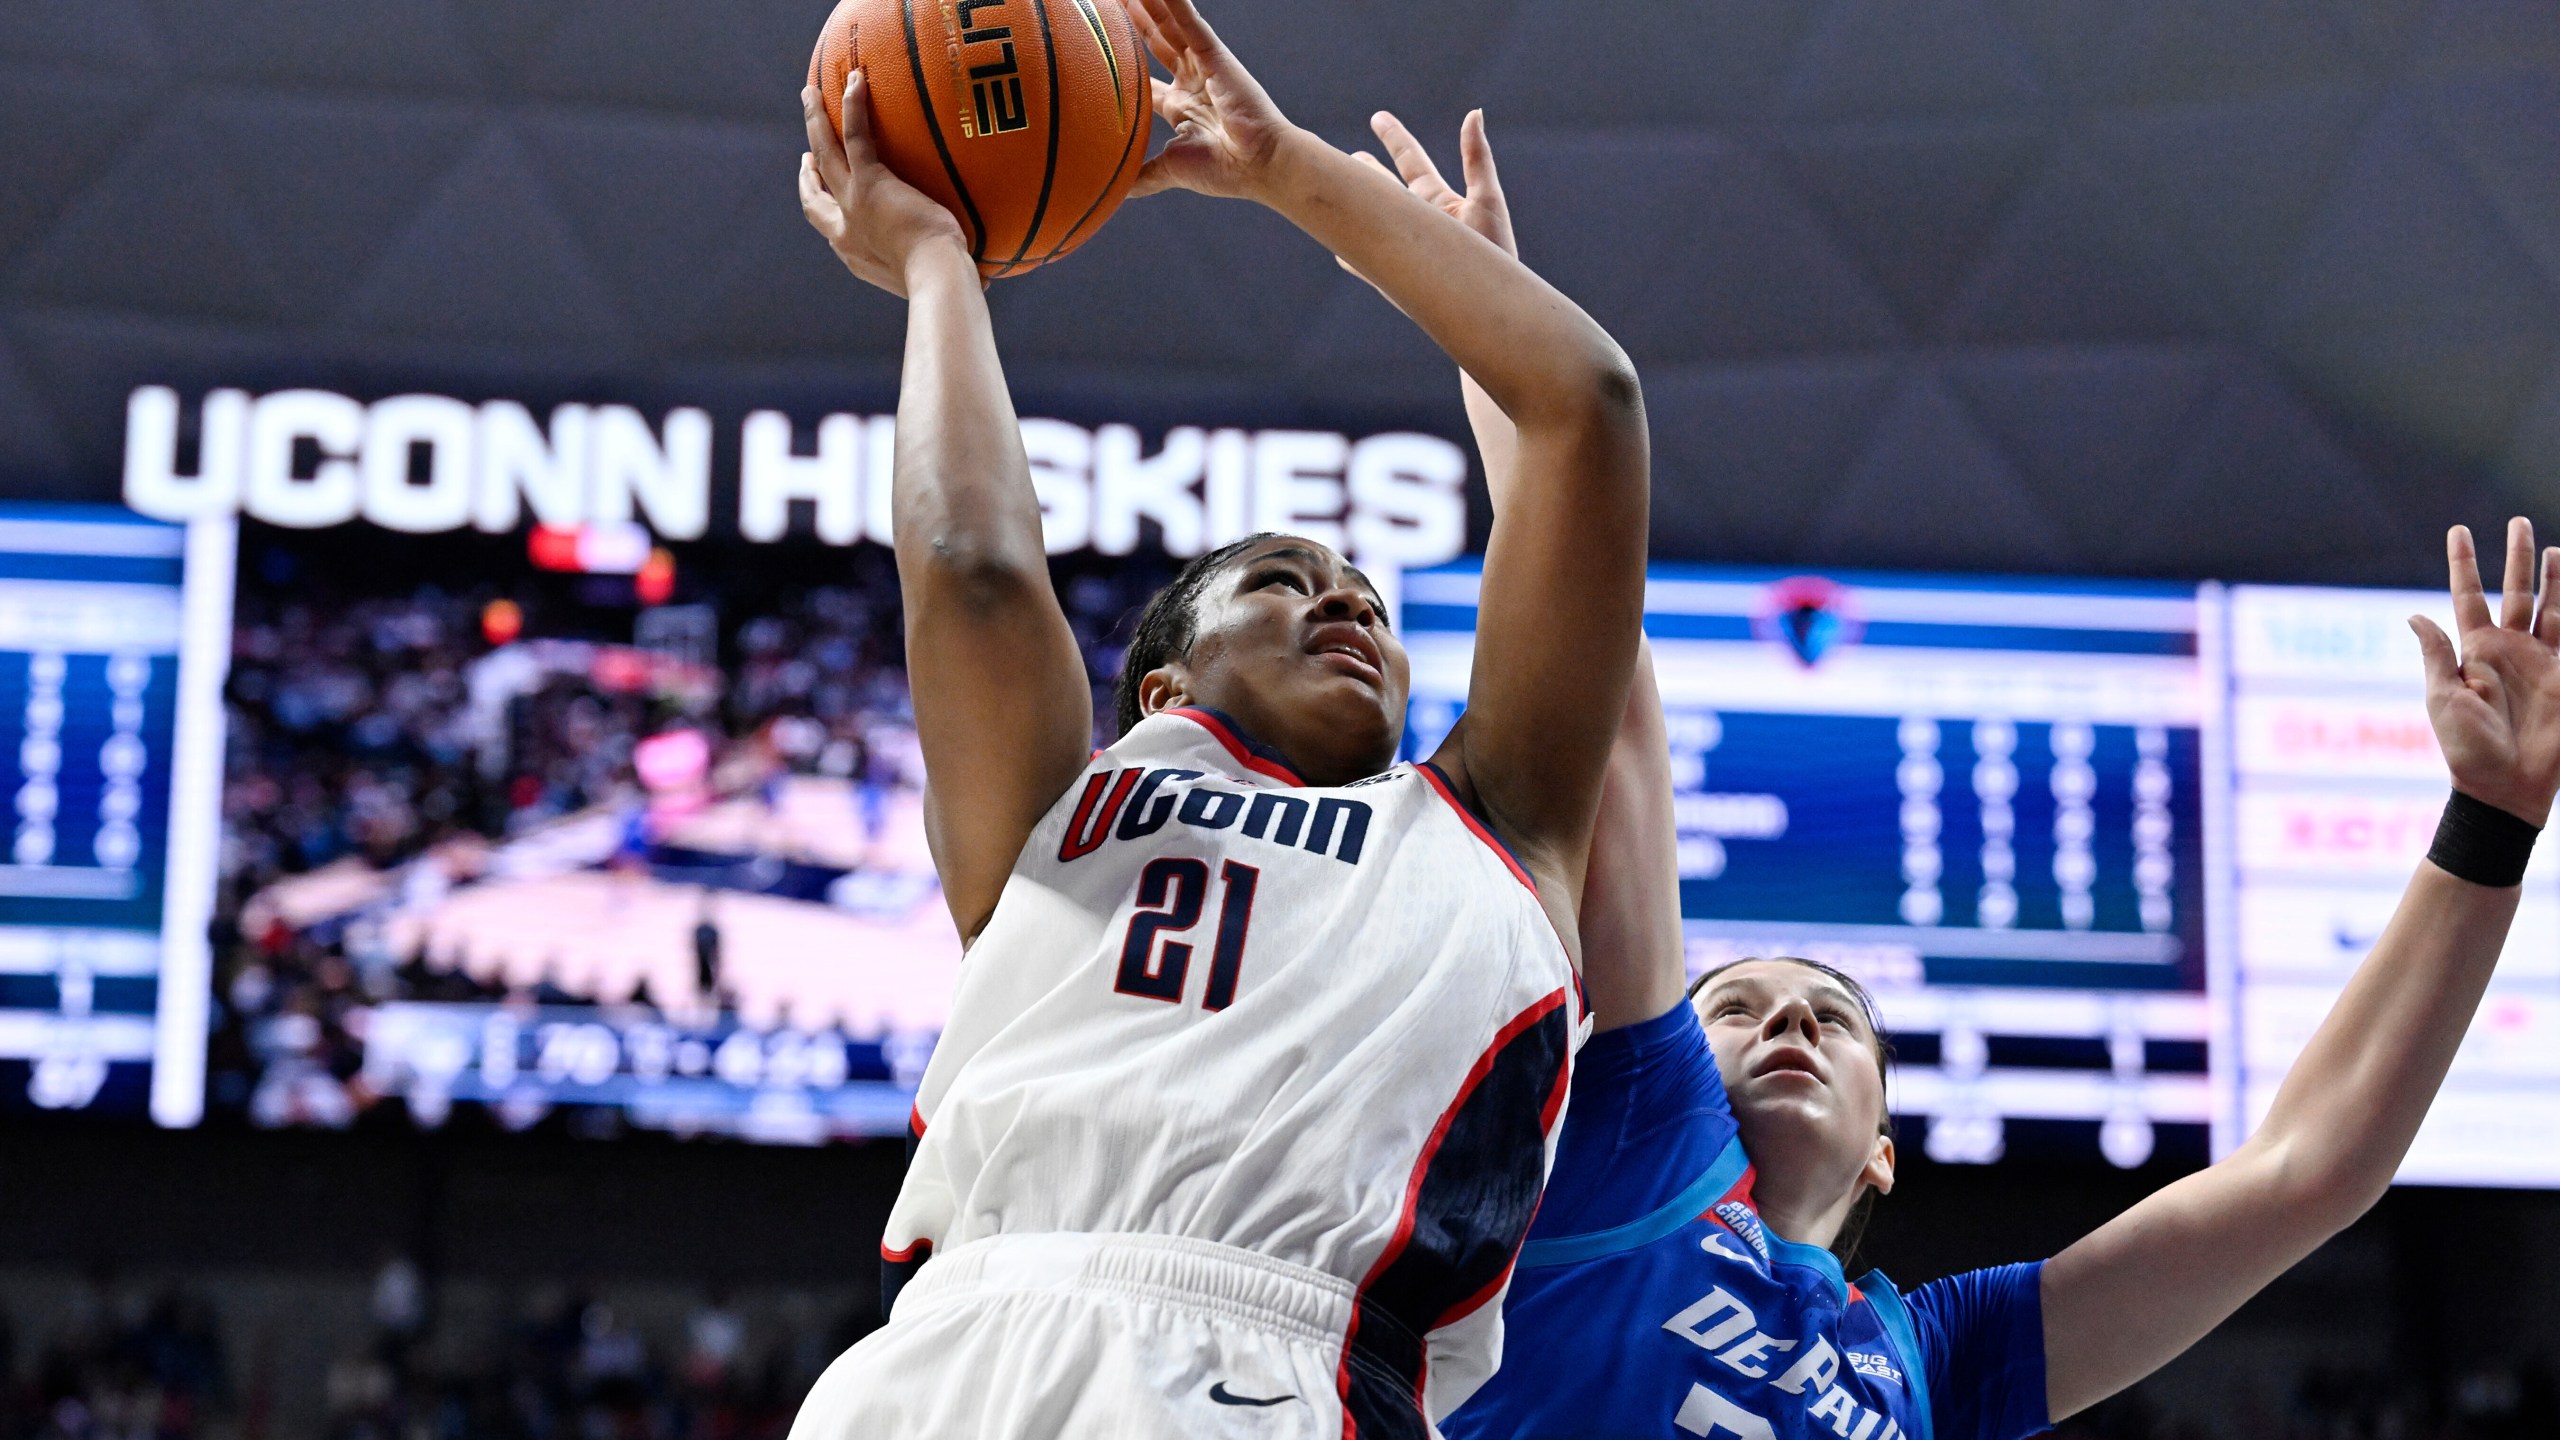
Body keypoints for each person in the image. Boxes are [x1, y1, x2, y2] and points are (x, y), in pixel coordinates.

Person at [1367, 110, 2560, 1440]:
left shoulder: (1940, 1353)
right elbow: (1610, 704)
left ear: (1885, 1147)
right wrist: (1518, 366)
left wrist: (2493, 820)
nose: (1790, 1024)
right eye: (1741, 1007)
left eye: (1831, 1016)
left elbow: (2305, 1174)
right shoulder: (1639, 1145)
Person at [786, 0, 1650, 1431]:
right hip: (951, 1355)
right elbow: (975, 570)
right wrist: (940, 264)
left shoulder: (1501, 827)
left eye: (1366, 593)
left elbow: (1587, 407)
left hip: (1285, 1371)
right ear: (1163, 687)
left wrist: (1287, 168)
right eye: (1283, 580)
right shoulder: (1060, 812)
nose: (1346, 604)